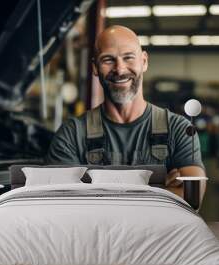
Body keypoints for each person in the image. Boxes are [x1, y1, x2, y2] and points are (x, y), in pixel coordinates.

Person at [45, 25, 206, 201]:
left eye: (128, 57)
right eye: (108, 60)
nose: (120, 69)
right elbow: (63, 204)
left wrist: (91, 192)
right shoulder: (71, 134)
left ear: (144, 61)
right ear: (95, 67)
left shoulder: (179, 129)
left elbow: (192, 199)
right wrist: (159, 190)